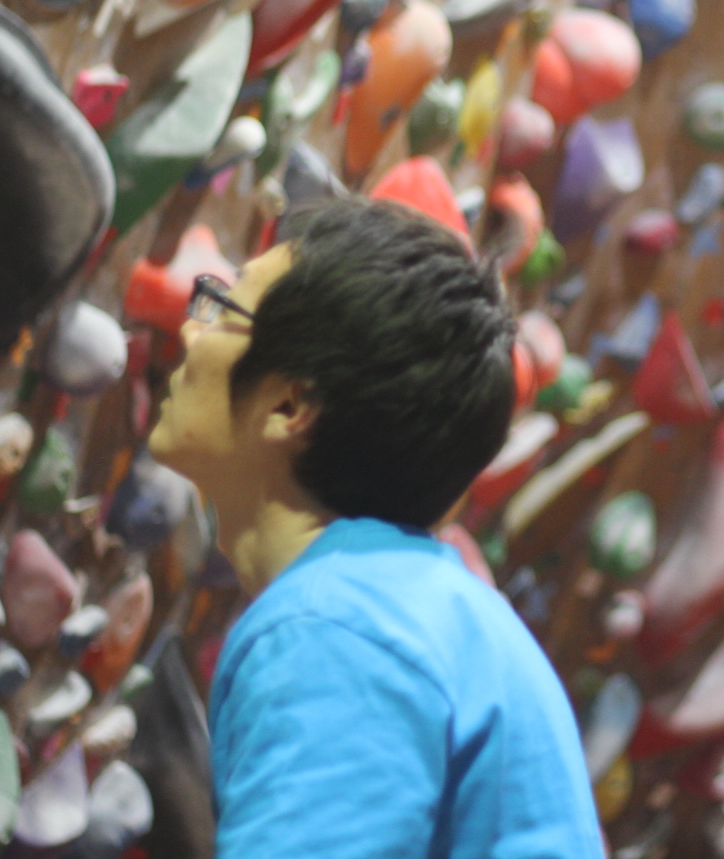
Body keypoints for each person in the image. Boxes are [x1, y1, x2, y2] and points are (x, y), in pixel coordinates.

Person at [148, 197, 604, 859]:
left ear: (290, 404)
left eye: (222, 309)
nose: (190, 332)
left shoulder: (335, 631)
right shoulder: (408, 606)